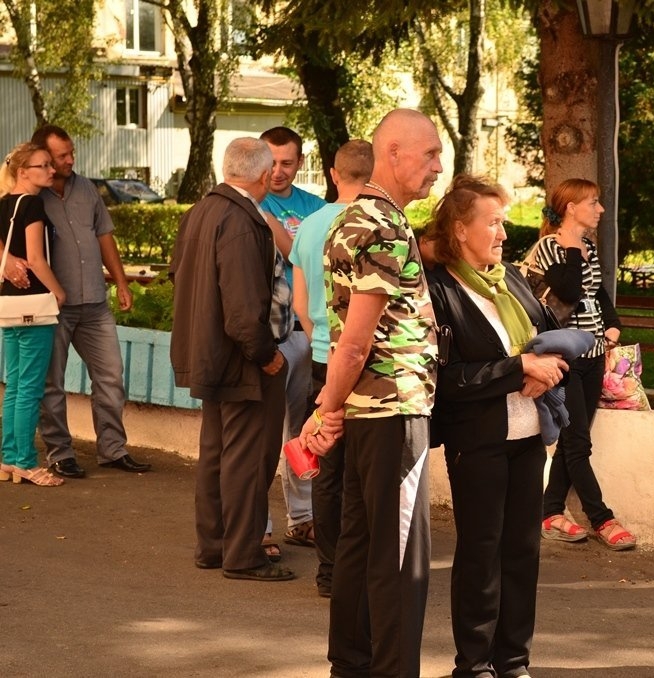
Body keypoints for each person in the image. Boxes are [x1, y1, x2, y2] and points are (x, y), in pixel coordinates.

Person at [299, 108, 442, 678]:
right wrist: (327, 409)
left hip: (370, 411)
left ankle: (351, 665)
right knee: (400, 558)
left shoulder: (356, 216)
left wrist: (330, 407)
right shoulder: (381, 224)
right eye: (429, 153)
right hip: (393, 410)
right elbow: (356, 341)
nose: (438, 166)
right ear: (393, 154)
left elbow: (347, 336)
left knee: (358, 546)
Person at [426, 174, 569, 678]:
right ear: (460, 230)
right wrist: (517, 369)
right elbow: (445, 379)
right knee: (480, 555)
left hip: (529, 437)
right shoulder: (439, 289)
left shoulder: (510, 279)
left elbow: (549, 339)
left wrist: (545, 368)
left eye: (503, 222)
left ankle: (513, 661)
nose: (504, 233)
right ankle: (474, 665)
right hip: (478, 441)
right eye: (493, 223)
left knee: (522, 554)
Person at [169, 137, 293, 582]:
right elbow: (243, 309)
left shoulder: (200, 211)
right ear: (263, 175)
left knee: (217, 454)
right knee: (247, 458)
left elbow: (179, 277)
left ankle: (214, 546)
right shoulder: (241, 219)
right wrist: (266, 355)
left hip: (210, 351)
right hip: (240, 357)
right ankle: (242, 554)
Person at [30, 124, 150, 478]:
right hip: (52, 306)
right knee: (51, 383)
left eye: (72, 153)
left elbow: (104, 236)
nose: (70, 160)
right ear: (44, 157)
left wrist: (122, 282)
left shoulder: (86, 188)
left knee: (111, 376)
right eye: (62, 155)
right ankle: (60, 453)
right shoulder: (31, 196)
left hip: (95, 303)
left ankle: (113, 449)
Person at [289, 139, 374, 597]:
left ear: (333, 174)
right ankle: (365, 568)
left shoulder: (309, 225)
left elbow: (300, 304)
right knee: (369, 472)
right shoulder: (378, 222)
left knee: (327, 468)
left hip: (324, 356)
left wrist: (320, 338)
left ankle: (328, 570)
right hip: (370, 363)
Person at [533, 178, 636, 551]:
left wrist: (613, 324)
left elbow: (597, 293)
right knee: (578, 442)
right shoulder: (549, 247)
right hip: (564, 359)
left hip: (594, 357)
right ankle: (602, 518)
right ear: (571, 207)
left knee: (572, 441)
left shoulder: (589, 246)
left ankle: (549, 512)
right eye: (593, 202)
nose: (600, 209)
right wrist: (573, 250)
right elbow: (569, 290)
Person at [257, 126, 327, 555]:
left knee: (302, 430)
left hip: (308, 333)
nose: (278, 171)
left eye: (287, 162)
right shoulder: (249, 201)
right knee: (262, 433)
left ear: (301, 162)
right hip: (268, 335)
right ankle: (258, 526)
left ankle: (302, 519)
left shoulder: (315, 207)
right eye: (271, 162)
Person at [0, 143, 66, 487]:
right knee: (29, 388)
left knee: (14, 385)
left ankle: (8, 459)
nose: (52, 170)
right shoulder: (32, 204)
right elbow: (37, 259)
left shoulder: (3, 203)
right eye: (44, 165)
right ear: (23, 171)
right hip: (35, 305)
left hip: (9, 304)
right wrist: (59, 292)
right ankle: (26, 462)